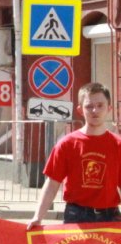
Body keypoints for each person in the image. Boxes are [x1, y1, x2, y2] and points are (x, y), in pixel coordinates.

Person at [29, 82, 121, 229]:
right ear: (80, 110)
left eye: (100, 105)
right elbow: (52, 184)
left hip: (111, 216)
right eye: (89, 106)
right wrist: (37, 217)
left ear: (109, 108)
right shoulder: (67, 144)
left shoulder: (118, 144)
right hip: (77, 215)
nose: (94, 110)